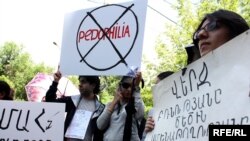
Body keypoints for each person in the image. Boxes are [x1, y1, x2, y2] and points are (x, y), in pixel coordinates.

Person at [45, 70, 105, 141]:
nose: (80, 84)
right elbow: (50, 103)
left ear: (93, 85)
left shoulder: (100, 109)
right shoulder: (72, 101)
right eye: (80, 81)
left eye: (83, 82)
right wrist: (55, 82)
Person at [96, 71, 144, 141]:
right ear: (119, 86)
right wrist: (114, 102)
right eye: (126, 85)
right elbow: (100, 125)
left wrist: (136, 87)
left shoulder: (136, 104)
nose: (129, 89)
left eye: (132, 87)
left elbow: (140, 115)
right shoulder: (110, 105)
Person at [141, 71, 174, 141]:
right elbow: (144, 138)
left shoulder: (183, 110)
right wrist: (147, 131)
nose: (155, 89)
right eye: (155, 86)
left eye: (158, 85)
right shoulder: (153, 111)